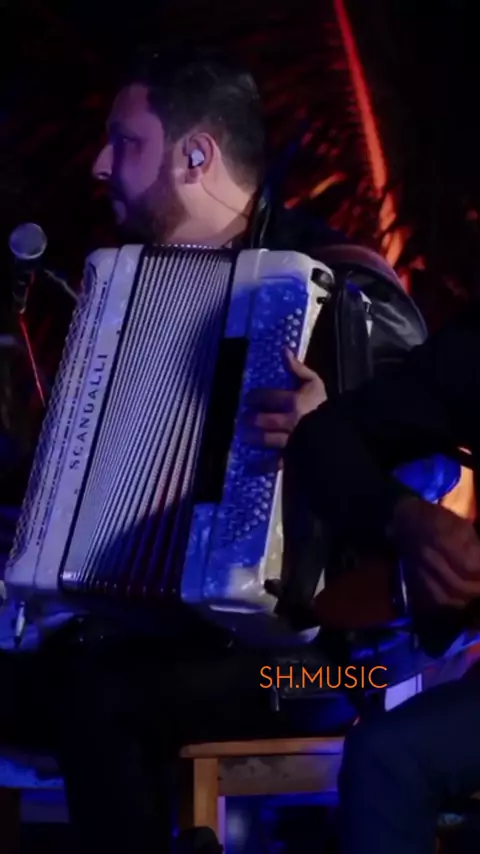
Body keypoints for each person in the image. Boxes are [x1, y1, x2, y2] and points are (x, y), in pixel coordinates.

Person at [0, 47, 357, 854]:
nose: (99, 165)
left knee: (101, 694)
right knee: (91, 678)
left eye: (124, 141)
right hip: (152, 645)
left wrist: (337, 426)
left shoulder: (339, 283)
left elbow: (430, 454)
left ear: (196, 155)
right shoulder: (128, 294)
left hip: (324, 667)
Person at [282, 273, 480, 851]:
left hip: (340, 670)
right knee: (384, 755)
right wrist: (404, 517)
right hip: (297, 663)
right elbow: (327, 438)